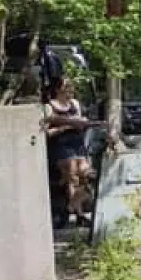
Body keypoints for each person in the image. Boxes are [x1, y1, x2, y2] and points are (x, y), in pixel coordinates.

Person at [42, 79, 98, 225]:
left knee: (88, 176)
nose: (70, 89)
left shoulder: (75, 104)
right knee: (72, 172)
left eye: (71, 87)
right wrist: (65, 127)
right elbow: (46, 132)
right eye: (66, 87)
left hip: (77, 144)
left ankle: (71, 206)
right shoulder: (49, 107)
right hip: (60, 146)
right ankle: (79, 214)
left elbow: (80, 122)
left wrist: (82, 124)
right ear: (58, 89)